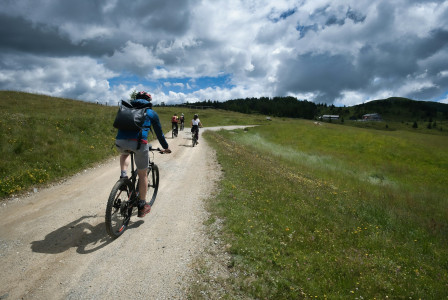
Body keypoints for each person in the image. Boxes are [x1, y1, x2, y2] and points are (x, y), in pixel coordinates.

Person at [115, 91, 171, 218]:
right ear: (149, 101)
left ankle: (123, 176)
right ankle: (142, 205)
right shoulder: (150, 113)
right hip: (139, 144)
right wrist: (166, 147)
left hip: (120, 141)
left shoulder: (127, 108)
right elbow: (159, 134)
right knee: (142, 174)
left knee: (125, 154)